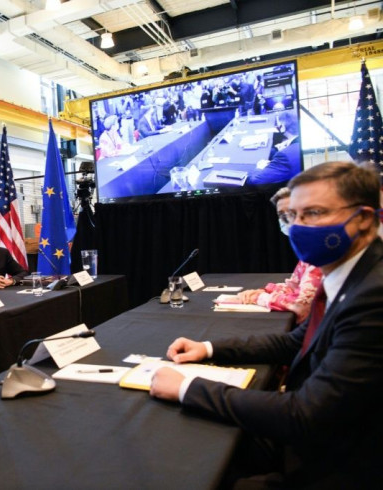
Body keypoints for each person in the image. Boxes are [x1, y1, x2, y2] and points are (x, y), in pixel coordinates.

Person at [150, 162, 383, 487]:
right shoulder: (347, 273)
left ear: (364, 220)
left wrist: (188, 388)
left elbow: (305, 415)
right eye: (293, 217)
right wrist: (207, 348)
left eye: (314, 213)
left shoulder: (373, 293)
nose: (299, 227)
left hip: (335, 466)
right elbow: (295, 341)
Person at [235, 187, 322, 323]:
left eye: (292, 213)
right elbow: (294, 287)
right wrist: (263, 291)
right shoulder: (308, 250)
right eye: (282, 215)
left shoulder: (323, 251)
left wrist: (259, 298)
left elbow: (302, 306)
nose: (288, 220)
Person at [248, 112, 301, 185]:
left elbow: (255, 181)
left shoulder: (284, 155)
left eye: (278, 126)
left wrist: (259, 167)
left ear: (282, 127)